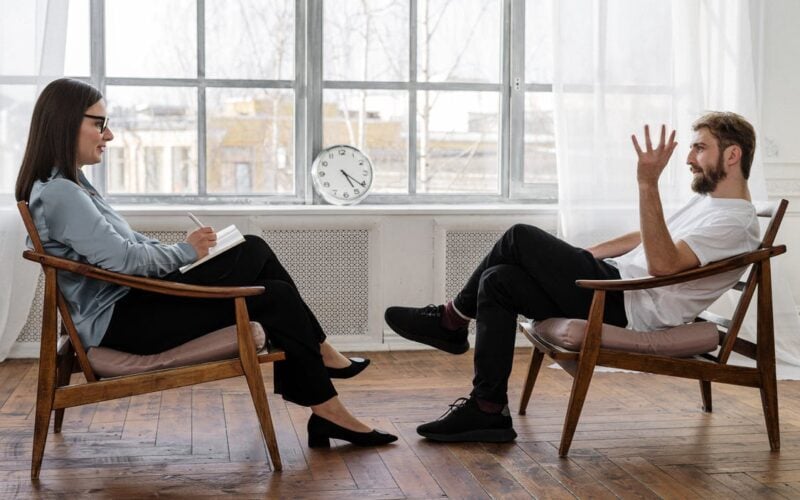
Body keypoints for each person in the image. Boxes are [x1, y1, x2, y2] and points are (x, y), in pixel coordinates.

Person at [16, 78, 396, 448]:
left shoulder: (71, 186)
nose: (109, 136)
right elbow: (123, 260)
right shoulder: (63, 193)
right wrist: (186, 253)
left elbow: (125, 246)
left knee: (262, 267)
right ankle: (324, 372)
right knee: (259, 263)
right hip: (124, 322)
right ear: (66, 123)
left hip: (130, 308)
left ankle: (327, 405)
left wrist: (189, 251)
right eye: (100, 124)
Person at [385, 112, 761, 443]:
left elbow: (663, 265)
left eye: (699, 148)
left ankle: (451, 320)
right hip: (614, 284)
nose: (689, 159)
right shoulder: (711, 204)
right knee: (498, 279)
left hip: (626, 305)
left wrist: (647, 184)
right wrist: (582, 256)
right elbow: (646, 236)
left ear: (732, 155)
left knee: (520, 236)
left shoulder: (734, 223)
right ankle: (488, 408)